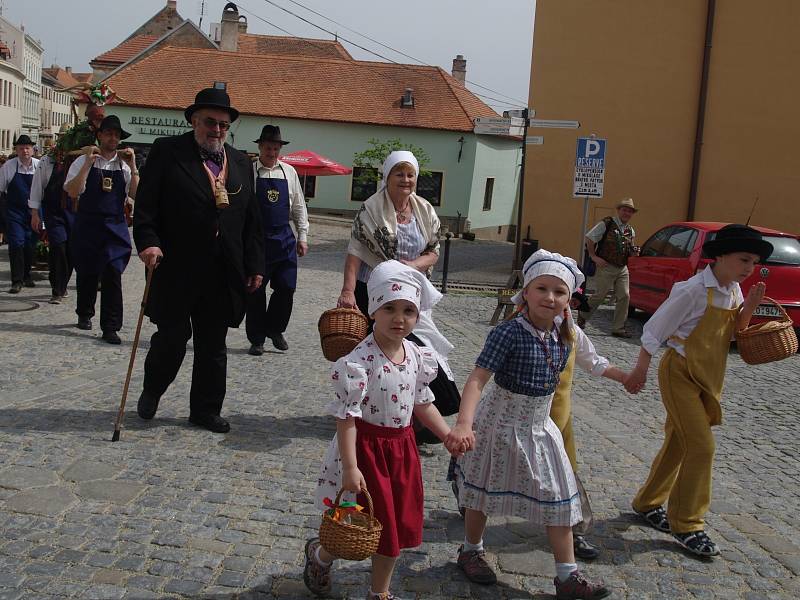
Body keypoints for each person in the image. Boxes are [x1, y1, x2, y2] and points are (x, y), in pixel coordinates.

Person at [448, 250, 612, 599]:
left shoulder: (566, 333)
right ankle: (470, 549)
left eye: (559, 291)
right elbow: (477, 379)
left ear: (569, 298)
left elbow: (593, 361)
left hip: (539, 427)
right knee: (480, 492)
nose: (550, 298)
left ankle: (567, 576)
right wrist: (464, 424)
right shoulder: (508, 333)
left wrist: (626, 375)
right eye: (542, 288)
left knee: (558, 496)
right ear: (526, 291)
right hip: (499, 424)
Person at [303, 260, 462, 600]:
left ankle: (380, 593)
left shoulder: (418, 355)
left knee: (393, 530)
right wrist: (350, 466)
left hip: (401, 451)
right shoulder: (360, 362)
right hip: (366, 451)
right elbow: (346, 417)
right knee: (354, 527)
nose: (399, 318)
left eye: (408, 310)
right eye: (389, 308)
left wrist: (446, 434)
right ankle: (321, 555)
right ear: (373, 310)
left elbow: (422, 403)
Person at [626, 224, 771, 557]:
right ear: (719, 256)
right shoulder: (691, 290)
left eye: (754, 262)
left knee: (679, 444)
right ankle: (687, 524)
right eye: (743, 259)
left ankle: (647, 503)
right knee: (702, 446)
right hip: (679, 374)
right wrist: (639, 371)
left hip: (707, 378)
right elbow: (653, 329)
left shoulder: (733, 290)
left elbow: (734, 333)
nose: (749, 268)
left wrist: (749, 306)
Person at [133, 87, 264, 434]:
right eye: (210, 122)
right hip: (176, 265)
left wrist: (255, 265)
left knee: (213, 343)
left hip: (222, 270)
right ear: (193, 120)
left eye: (223, 125)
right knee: (172, 337)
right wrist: (148, 243)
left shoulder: (239, 162)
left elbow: (250, 220)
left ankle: (205, 410)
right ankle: (153, 389)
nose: (217, 130)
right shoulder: (167, 152)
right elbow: (146, 207)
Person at [337, 150, 460, 443]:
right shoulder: (370, 210)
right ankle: (370, 415)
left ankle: (415, 414)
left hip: (411, 295)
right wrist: (347, 290)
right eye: (399, 174)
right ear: (387, 177)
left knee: (419, 353)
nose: (405, 180)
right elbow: (355, 253)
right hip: (377, 294)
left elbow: (433, 252)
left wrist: (412, 267)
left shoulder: (425, 210)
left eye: (410, 175)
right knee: (383, 356)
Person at [64, 116, 138, 344]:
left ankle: (110, 327)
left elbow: (136, 195)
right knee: (87, 271)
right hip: (88, 225)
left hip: (114, 226)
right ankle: (84, 313)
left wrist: (134, 166)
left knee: (112, 274)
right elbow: (73, 192)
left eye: (116, 134)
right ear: (100, 136)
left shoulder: (124, 166)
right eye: (108, 133)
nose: (112, 138)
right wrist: (87, 164)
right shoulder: (83, 162)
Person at [245, 125, 308, 355]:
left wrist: (302, 236)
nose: (272, 152)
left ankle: (275, 328)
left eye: (275, 148)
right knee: (255, 291)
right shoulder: (249, 171)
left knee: (286, 288)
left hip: (283, 239)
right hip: (257, 240)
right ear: (260, 147)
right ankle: (257, 339)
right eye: (268, 148)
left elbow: (299, 206)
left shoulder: (289, 172)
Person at [579, 197, 639, 337]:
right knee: (600, 295)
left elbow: (628, 249)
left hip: (622, 267)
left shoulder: (631, 230)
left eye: (629, 211)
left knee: (624, 295)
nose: (627, 213)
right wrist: (594, 257)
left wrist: (634, 251)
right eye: (624, 210)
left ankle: (618, 328)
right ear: (619, 210)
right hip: (606, 265)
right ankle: (583, 314)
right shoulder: (607, 223)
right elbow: (590, 238)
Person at [0, 135, 39, 293]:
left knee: (30, 244)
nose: (25, 151)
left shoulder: (39, 165)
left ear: (32, 149)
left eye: (27, 148)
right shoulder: (8, 167)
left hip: (34, 211)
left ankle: (27, 274)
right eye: (21, 148)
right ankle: (17, 280)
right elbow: (1, 190)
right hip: (15, 211)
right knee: (16, 243)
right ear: (16, 150)